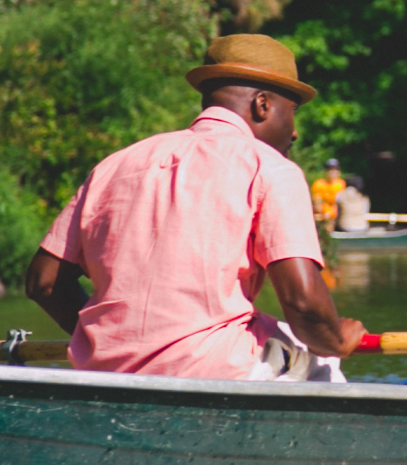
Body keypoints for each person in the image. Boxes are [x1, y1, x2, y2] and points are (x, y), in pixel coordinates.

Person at [25, 34, 368, 379]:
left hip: (108, 372)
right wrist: (337, 340)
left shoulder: (115, 165)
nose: (294, 132)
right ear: (262, 104)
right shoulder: (271, 168)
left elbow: (44, 281)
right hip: (217, 368)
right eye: (292, 112)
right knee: (322, 359)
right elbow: (305, 304)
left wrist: (112, 342)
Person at [310, 157, 347, 226]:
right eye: (329, 169)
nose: (332, 171)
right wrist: (326, 213)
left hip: (338, 214)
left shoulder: (341, 184)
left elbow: (342, 203)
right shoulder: (319, 184)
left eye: (335, 169)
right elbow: (317, 202)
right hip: (323, 214)